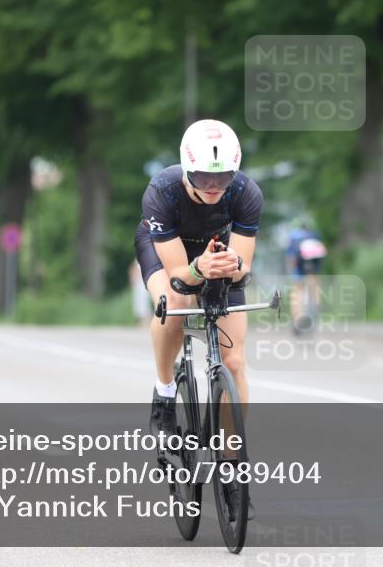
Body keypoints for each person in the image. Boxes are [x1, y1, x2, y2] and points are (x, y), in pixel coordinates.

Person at [133, 119, 262, 518]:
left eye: (222, 177)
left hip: (215, 253)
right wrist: (199, 269)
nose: (213, 186)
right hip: (168, 253)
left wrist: (233, 266)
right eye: (204, 176)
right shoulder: (162, 191)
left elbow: (243, 269)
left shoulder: (246, 193)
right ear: (187, 169)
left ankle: (232, 466)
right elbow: (178, 276)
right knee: (175, 304)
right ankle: (164, 391)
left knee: (234, 362)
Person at [285, 216, 327, 333]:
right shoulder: (315, 235)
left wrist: (293, 270)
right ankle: (317, 304)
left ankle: (297, 317)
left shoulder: (294, 236)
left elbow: (291, 257)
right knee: (315, 282)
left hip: (300, 261)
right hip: (315, 260)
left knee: (298, 289)